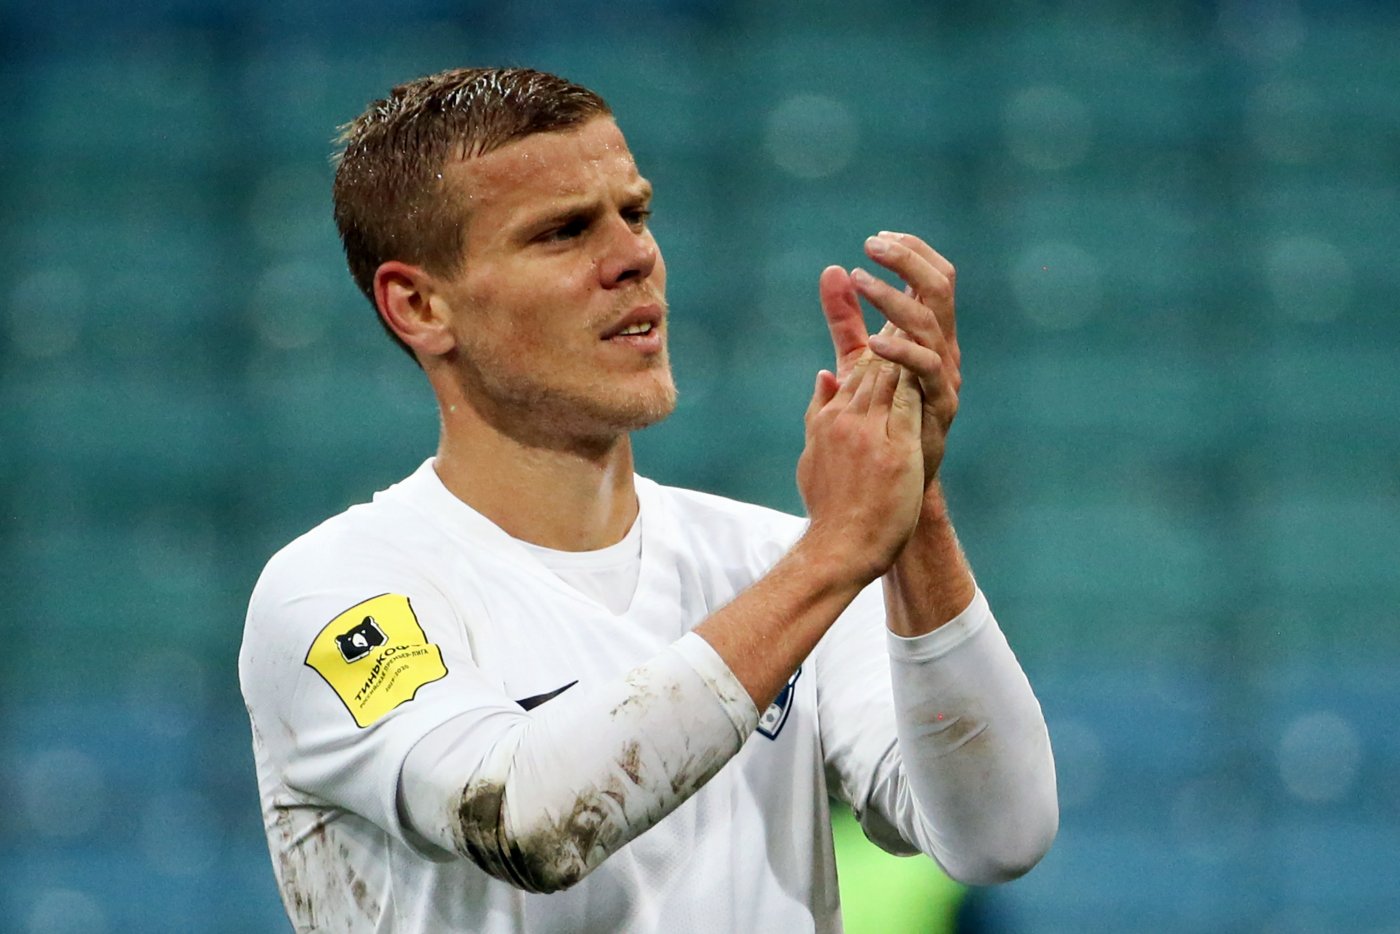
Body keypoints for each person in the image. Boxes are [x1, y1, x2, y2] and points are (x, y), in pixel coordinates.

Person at [239, 66, 1057, 933]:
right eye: (563, 231)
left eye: (635, 213)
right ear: (419, 304)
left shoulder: (774, 563)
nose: (633, 257)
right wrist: (837, 552)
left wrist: (911, 502)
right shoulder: (338, 592)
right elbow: (519, 820)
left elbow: (997, 836)